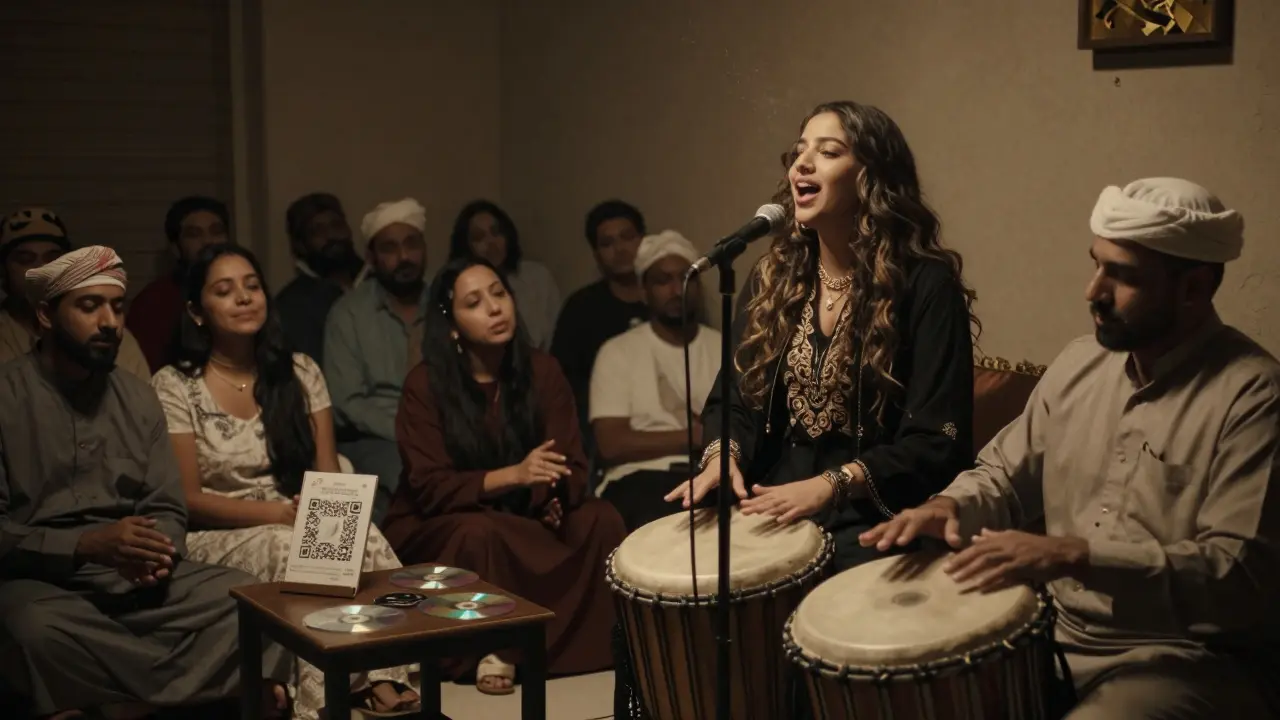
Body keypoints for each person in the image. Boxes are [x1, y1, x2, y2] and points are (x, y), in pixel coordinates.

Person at [860, 178, 1280, 719]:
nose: (1093, 291)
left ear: (1194, 289)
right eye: (1096, 264)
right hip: (1052, 632)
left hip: (1184, 658)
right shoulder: (1079, 363)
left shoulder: (1254, 396)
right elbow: (1002, 476)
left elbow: (1237, 577)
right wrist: (949, 506)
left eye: (1122, 275)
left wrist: (1076, 555)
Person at [665, 100, 978, 571]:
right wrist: (721, 458)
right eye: (798, 152)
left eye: (829, 152)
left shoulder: (926, 286)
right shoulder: (773, 278)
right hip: (769, 502)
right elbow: (733, 402)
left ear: (872, 178)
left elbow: (936, 439)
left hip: (870, 514)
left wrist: (831, 485)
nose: (802, 164)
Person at [0, 246, 292, 719]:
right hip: (43, 584)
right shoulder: (6, 396)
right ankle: (184, 691)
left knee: (249, 601)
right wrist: (85, 545)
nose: (110, 322)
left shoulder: (137, 396)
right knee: (32, 628)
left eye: (117, 307)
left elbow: (167, 506)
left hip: (135, 578)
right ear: (45, 314)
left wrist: (156, 558)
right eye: (89, 306)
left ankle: (110, 700)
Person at [152, 244, 419, 719]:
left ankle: (382, 673)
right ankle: (320, 699)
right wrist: (280, 514)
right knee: (289, 547)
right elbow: (187, 499)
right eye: (224, 290)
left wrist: (329, 517)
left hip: (296, 516)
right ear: (196, 311)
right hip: (216, 532)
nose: (244, 298)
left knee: (366, 537)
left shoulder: (299, 371)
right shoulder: (175, 384)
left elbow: (328, 477)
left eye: (252, 286)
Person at [382, 257, 626, 696]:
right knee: (479, 531)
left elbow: (569, 461)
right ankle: (493, 648)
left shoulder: (542, 369)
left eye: (499, 293)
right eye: (474, 302)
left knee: (600, 517)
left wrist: (549, 494)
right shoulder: (426, 384)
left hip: (525, 511)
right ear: (452, 325)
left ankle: (583, 650)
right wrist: (513, 476)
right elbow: (430, 486)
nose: (495, 308)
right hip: (440, 519)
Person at [590, 230, 720, 531]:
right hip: (640, 479)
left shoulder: (723, 347)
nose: (677, 289)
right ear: (644, 291)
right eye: (663, 281)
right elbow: (611, 444)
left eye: (686, 278)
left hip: (710, 474)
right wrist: (700, 435)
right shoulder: (617, 352)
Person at [323, 198, 430, 523]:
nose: (404, 257)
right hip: (376, 439)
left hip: (445, 432)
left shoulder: (447, 305)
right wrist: (410, 433)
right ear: (371, 257)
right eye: (390, 248)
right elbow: (346, 402)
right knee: (412, 476)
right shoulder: (349, 314)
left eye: (412, 245)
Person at [0, 207, 149, 378]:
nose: (42, 269)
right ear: (4, 270)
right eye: (25, 260)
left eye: (53, 259)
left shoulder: (110, 337)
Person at [551, 200, 650, 443]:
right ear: (596, 254)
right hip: (604, 431)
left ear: (644, 240)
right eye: (607, 243)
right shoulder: (581, 308)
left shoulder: (670, 300)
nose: (620, 249)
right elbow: (563, 384)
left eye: (627, 237)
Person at [127, 196, 232, 373]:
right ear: (176, 247)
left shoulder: (244, 293)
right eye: (194, 234)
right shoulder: (154, 302)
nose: (208, 241)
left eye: (216, 231)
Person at [449, 200, 560, 350]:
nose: (491, 242)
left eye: (496, 232)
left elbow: (556, 339)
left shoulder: (538, 278)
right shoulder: (457, 287)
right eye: (479, 237)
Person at [274, 192, 368, 365]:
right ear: (300, 245)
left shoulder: (379, 284)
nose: (331, 235)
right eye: (318, 230)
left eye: (336, 225)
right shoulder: (290, 306)